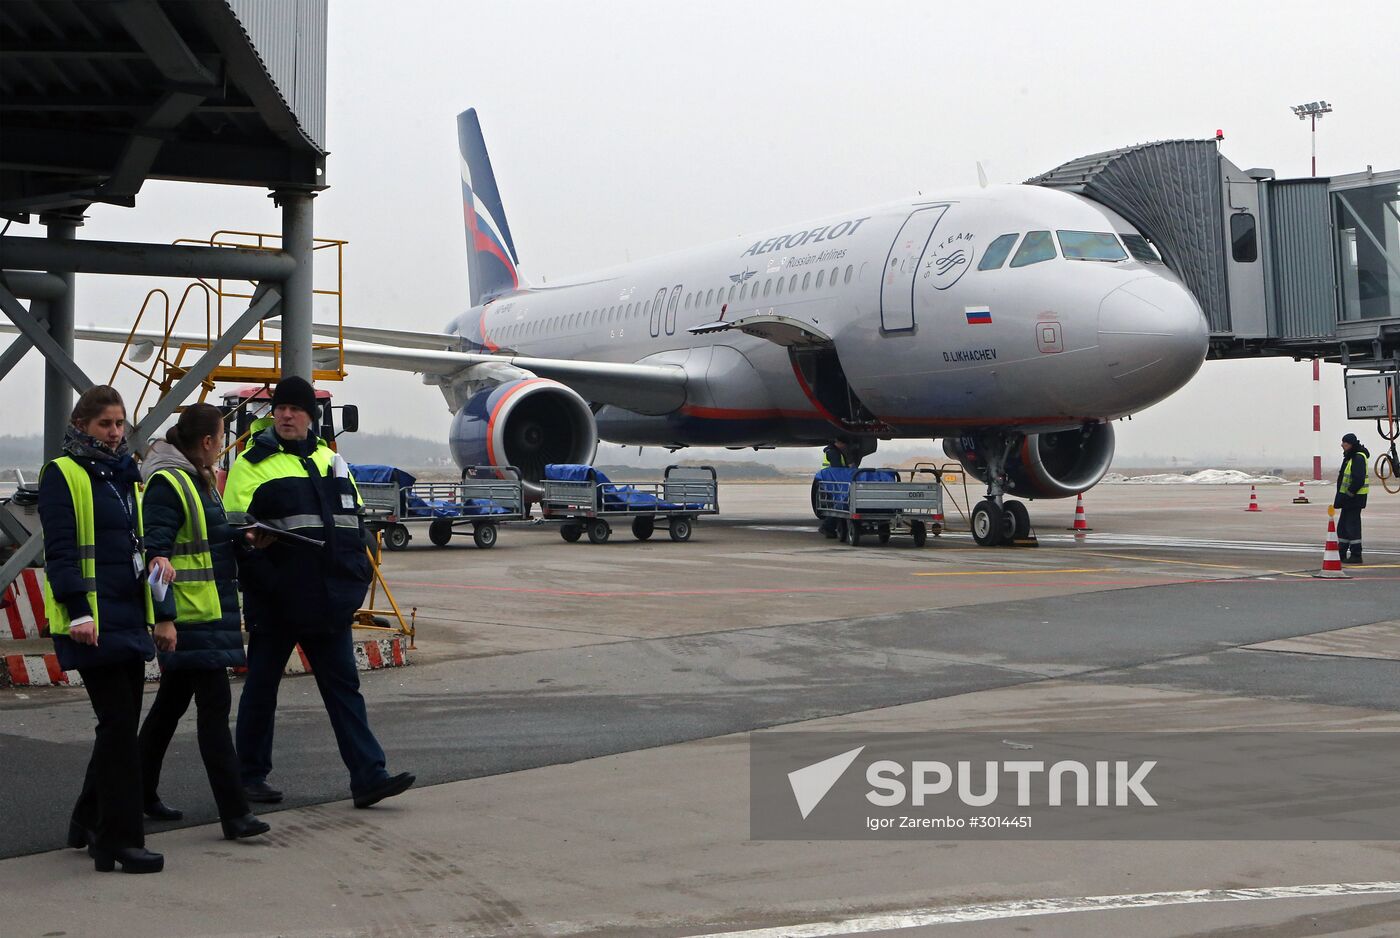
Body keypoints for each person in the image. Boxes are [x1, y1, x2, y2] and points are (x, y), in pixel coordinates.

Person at [224, 377, 414, 808]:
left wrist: (355, 578)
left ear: (311, 415)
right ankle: (249, 776)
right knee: (262, 690)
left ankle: (369, 777)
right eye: (280, 408)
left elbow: (355, 528)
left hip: (327, 601)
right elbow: (237, 537)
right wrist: (270, 585)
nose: (287, 415)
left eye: (295, 408)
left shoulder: (333, 462)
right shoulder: (249, 464)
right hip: (277, 602)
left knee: (344, 688)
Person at [38, 385, 162, 873]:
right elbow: (62, 550)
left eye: (119, 424)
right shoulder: (63, 475)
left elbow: (134, 543)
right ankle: (120, 840)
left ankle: (87, 819)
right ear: (82, 426)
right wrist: (78, 612)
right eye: (105, 424)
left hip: (129, 612)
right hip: (92, 618)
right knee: (118, 727)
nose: (114, 432)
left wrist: (157, 573)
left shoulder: (124, 476)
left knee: (121, 725)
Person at [137, 404, 270, 841]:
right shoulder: (170, 482)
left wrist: (241, 539)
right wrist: (165, 619)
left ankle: (135, 794)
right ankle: (234, 813)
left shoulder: (198, 478)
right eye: (219, 438)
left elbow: (201, 542)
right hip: (190, 618)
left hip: (205, 614)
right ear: (209, 442)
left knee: (168, 711)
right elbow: (155, 556)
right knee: (213, 714)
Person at [1334, 432, 1370, 564]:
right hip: (1348, 499)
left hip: (1354, 499)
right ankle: (1341, 552)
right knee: (1343, 526)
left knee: (1352, 526)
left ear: (1351, 444)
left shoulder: (1358, 457)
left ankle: (1356, 554)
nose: (1342, 445)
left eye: (1345, 443)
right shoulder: (1350, 457)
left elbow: (1358, 479)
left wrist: (1349, 493)